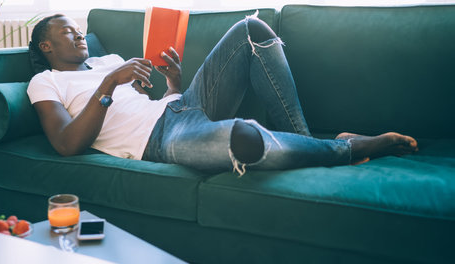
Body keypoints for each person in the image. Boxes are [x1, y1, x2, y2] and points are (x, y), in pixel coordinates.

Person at [27, 13, 418, 175]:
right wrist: (110, 83)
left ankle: (308, 139)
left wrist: (175, 84)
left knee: (253, 29)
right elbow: (66, 144)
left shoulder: (106, 59)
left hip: (183, 106)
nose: (79, 34)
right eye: (68, 31)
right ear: (46, 46)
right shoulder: (47, 81)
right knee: (242, 137)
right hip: (163, 140)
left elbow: (151, 105)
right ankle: (345, 150)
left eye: (79, 29)